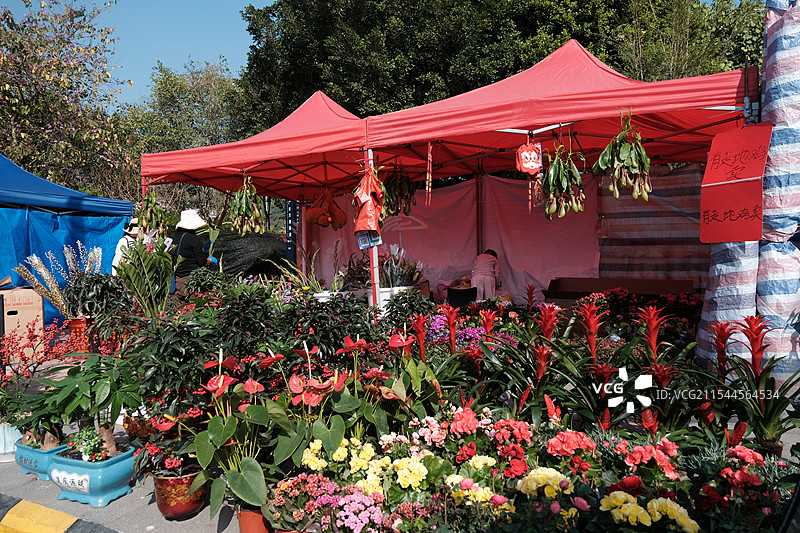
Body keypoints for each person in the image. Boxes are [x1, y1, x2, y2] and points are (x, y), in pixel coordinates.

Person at [173, 209, 216, 299]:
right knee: (195, 306)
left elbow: (186, 251)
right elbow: (201, 261)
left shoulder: (176, 237)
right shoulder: (193, 238)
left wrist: (203, 248)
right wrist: (209, 260)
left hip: (178, 279)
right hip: (190, 279)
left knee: (184, 309)